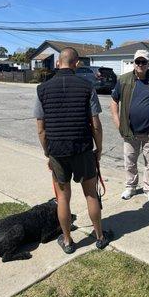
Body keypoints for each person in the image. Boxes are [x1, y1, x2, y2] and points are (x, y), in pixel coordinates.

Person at [34, 47, 112, 254]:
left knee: (63, 198)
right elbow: (95, 124)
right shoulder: (87, 88)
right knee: (91, 195)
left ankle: (68, 241)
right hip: (83, 149)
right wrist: (99, 148)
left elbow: (41, 130)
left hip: (57, 152)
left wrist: (47, 153)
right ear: (77, 64)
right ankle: (100, 236)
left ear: (58, 63)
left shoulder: (42, 89)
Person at [110, 49, 149, 203]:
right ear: (134, 63)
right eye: (138, 61)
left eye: (144, 62)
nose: (140, 64)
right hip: (130, 132)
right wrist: (118, 123)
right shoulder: (123, 80)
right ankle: (130, 186)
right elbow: (114, 101)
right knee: (130, 161)